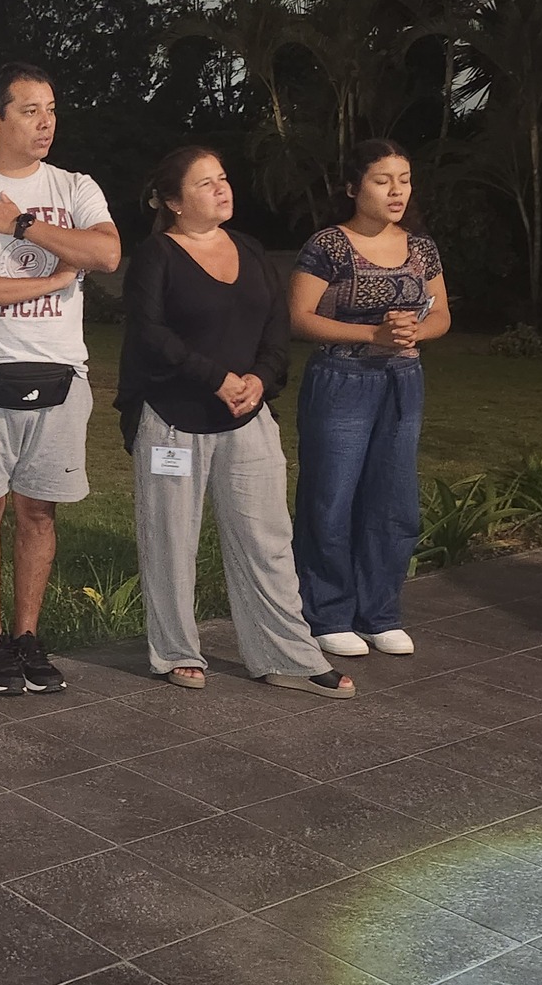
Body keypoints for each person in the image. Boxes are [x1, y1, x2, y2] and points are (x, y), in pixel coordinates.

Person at [116, 148, 355, 699]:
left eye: (222, 178)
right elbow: (150, 334)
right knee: (170, 541)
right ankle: (176, 652)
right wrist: (215, 378)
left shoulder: (249, 249)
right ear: (174, 201)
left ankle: (286, 657)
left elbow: (276, 326)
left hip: (248, 418)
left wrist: (259, 379)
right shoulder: (157, 256)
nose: (221, 189)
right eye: (205, 183)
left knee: (267, 541)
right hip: (173, 422)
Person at [0, 62, 120, 696]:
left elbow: (107, 254)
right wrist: (52, 282)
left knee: (39, 512)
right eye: (30, 110)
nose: (46, 122)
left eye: (51, 109)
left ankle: (28, 637)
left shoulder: (76, 187)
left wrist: (22, 226)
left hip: (62, 371)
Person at [289, 139, 451, 659]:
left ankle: (379, 612)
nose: (396, 191)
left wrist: (414, 332)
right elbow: (300, 317)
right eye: (383, 180)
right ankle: (328, 612)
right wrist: (371, 336)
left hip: (402, 381)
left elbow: (442, 315)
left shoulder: (421, 248)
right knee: (331, 497)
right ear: (353, 187)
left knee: (393, 499)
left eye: (404, 179)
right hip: (342, 380)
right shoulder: (329, 246)